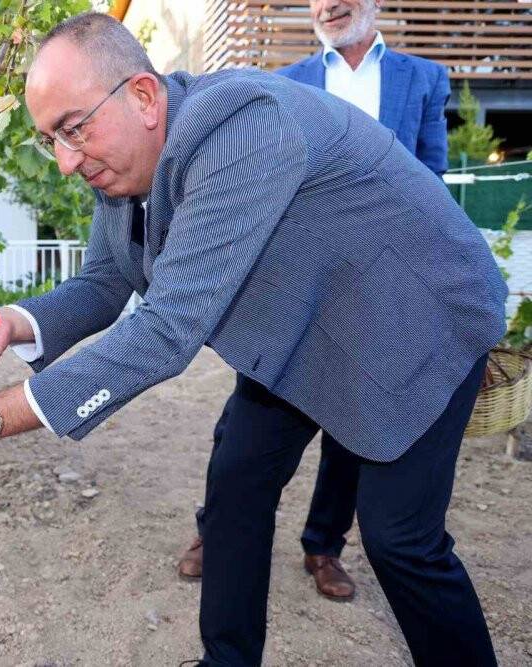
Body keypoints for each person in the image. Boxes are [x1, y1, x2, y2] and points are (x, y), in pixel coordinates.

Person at [0, 11, 503, 666]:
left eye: (73, 128)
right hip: (301, 324)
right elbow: (104, 282)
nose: (65, 161)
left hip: (414, 318)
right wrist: (11, 321)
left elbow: (165, 329)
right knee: (236, 485)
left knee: (400, 537)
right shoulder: (126, 163)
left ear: (144, 97)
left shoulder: (243, 126)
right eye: (51, 139)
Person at [177, 0, 454, 603]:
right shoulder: (283, 84)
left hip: (379, 286)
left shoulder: (424, 79)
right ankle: (216, 528)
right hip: (295, 285)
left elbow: (432, 182)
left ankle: (324, 545)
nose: (327, 4)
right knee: (248, 418)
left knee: (355, 424)